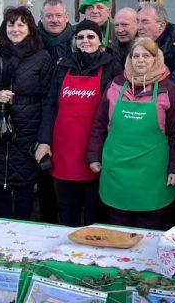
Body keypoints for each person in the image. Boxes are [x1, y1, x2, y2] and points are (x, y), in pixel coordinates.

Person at [88, 37, 175, 229]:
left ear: (156, 58)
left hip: (152, 172)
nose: (140, 60)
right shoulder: (115, 85)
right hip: (117, 169)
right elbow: (99, 124)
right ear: (129, 59)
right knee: (118, 228)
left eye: (146, 56)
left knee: (148, 228)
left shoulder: (169, 89)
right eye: (136, 56)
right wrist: (93, 156)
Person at [40, 19, 123, 227]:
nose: (85, 40)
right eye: (80, 37)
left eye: (90, 36)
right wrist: (44, 141)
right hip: (64, 149)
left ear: (100, 41)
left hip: (95, 148)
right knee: (67, 207)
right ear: (75, 41)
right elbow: (50, 105)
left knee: (95, 210)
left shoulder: (111, 66)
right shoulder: (63, 66)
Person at [0, 6, 54, 220]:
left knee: (24, 192)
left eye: (21, 24)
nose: (16, 29)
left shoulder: (42, 57)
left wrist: (44, 139)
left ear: (30, 29)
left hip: (27, 133)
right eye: (11, 25)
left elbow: (49, 101)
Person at [137, 3, 175, 71]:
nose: (138, 27)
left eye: (145, 22)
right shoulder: (133, 46)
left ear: (161, 26)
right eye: (137, 21)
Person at [38, 0, 74, 64]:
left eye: (58, 16)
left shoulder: (79, 39)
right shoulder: (32, 40)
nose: (54, 20)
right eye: (49, 16)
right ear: (42, 18)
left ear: (66, 17)